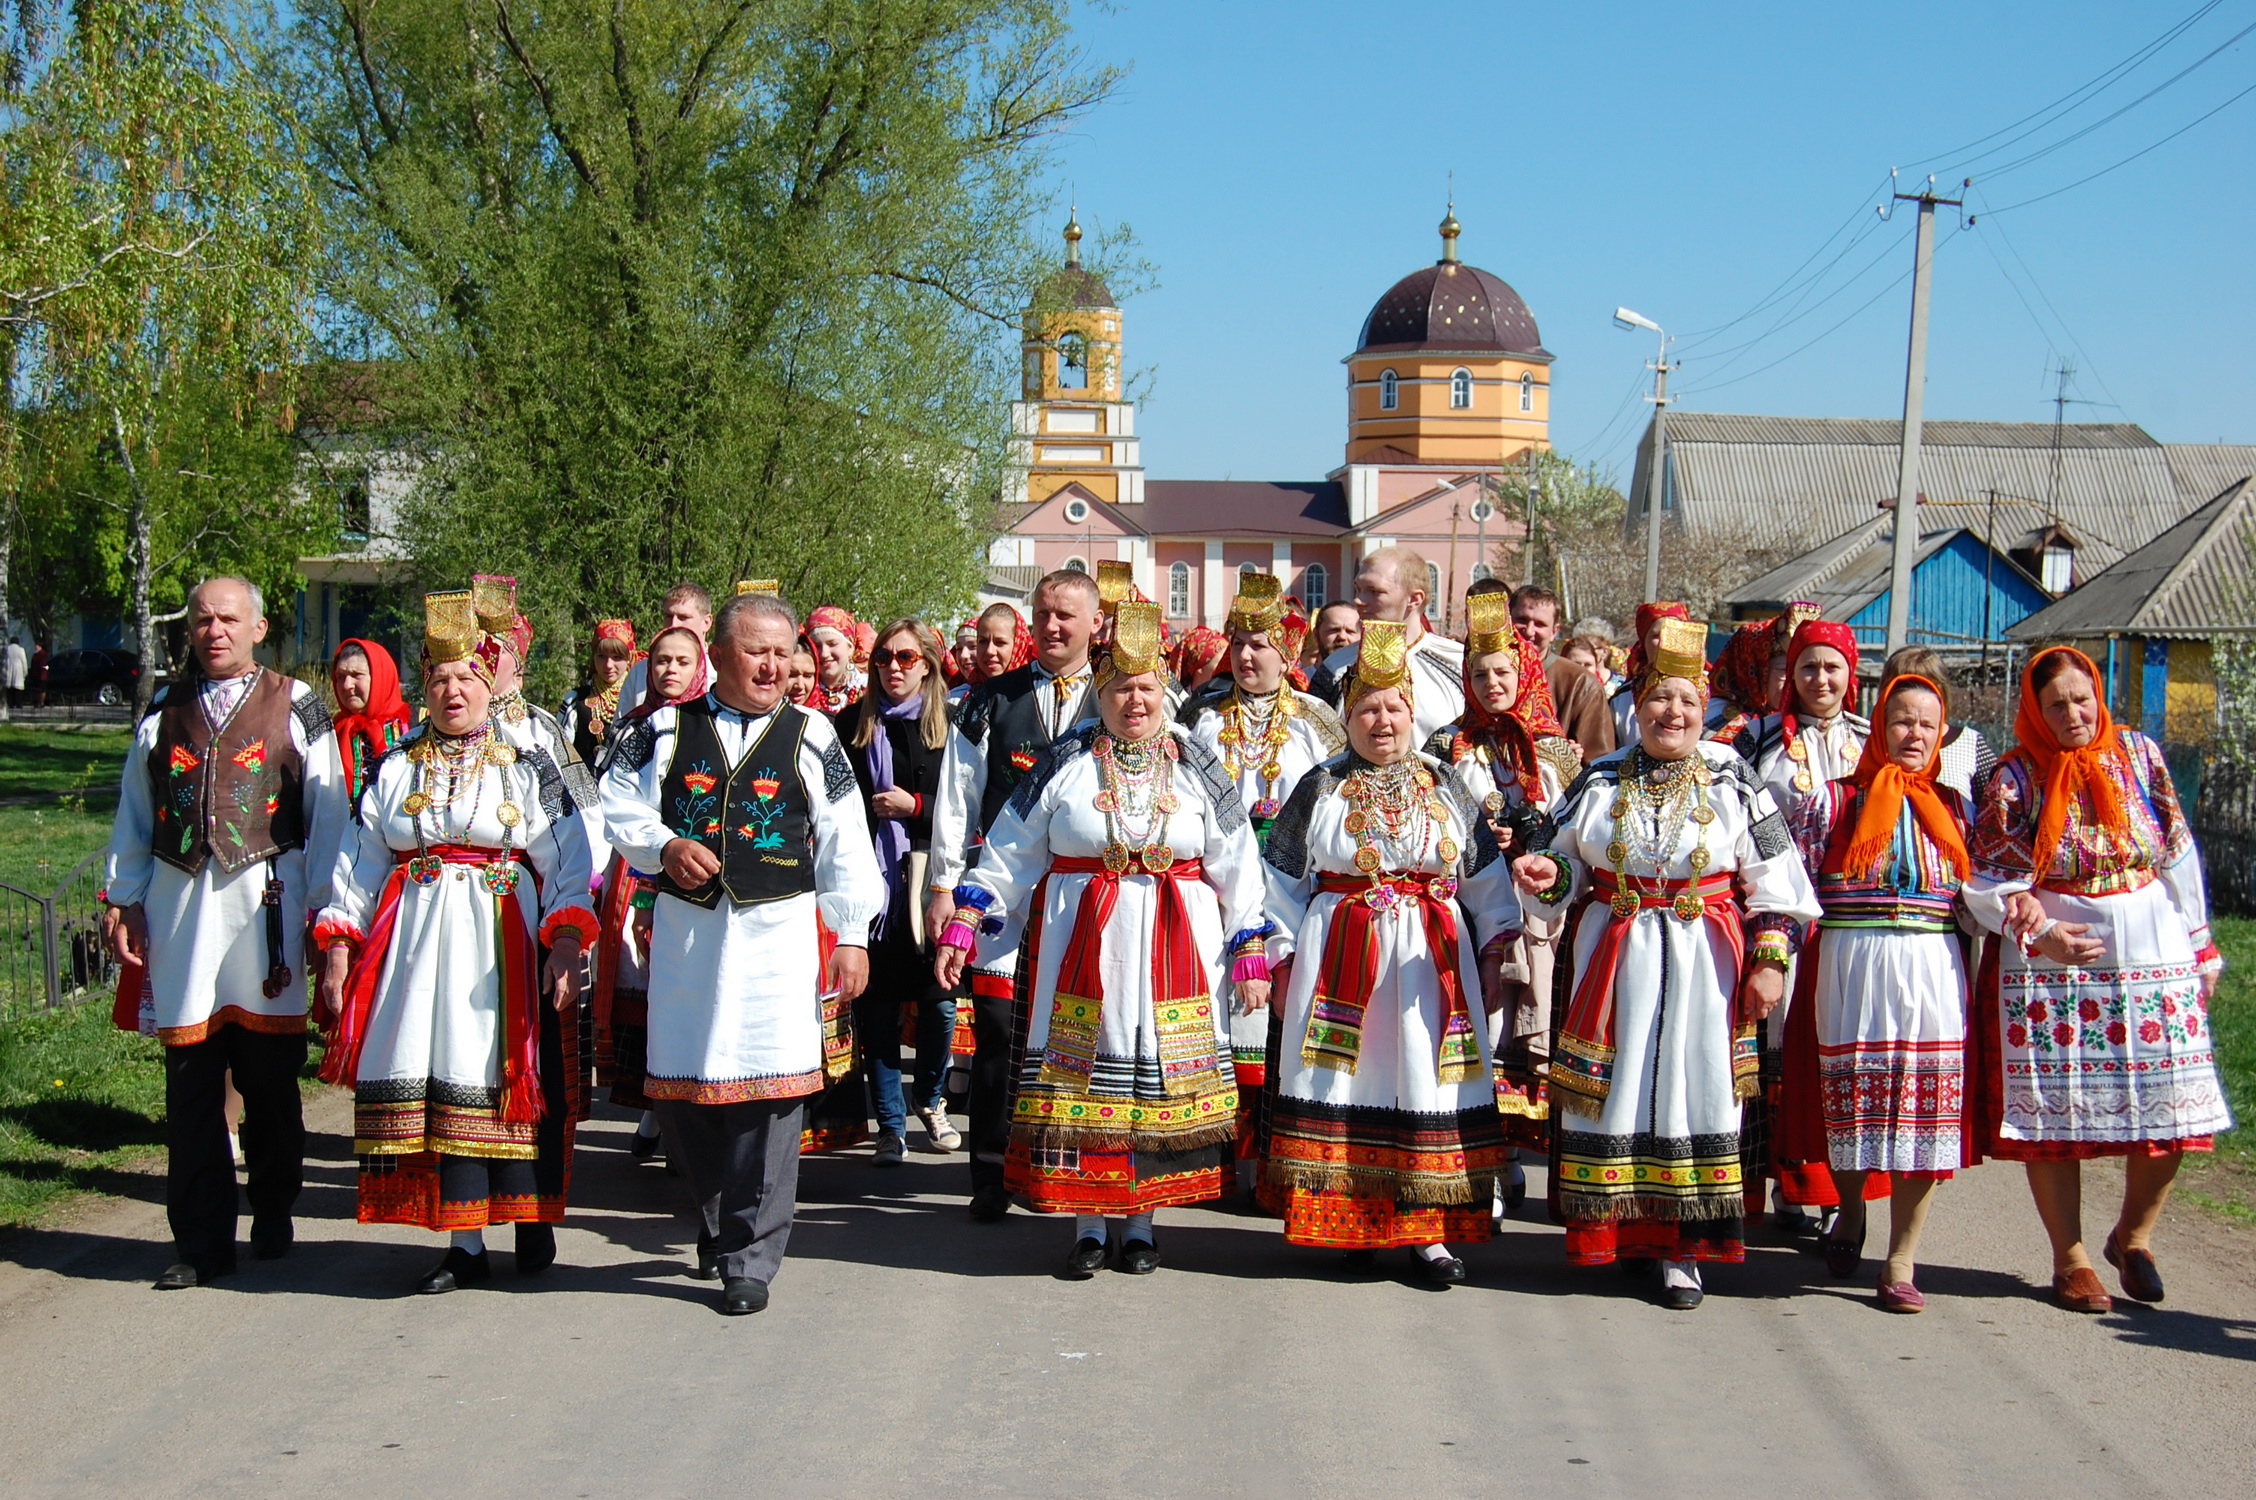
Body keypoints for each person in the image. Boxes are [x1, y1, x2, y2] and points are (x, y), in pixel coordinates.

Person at [935, 600, 1269, 1276]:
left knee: (1152, 1086)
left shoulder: (1200, 764)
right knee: (1085, 1078)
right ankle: (1088, 1225)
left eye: (1146, 687)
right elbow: (1008, 849)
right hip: (1079, 946)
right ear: (1102, 692)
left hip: (1176, 952)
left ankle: (1141, 1225)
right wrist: (966, 921)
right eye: (1120, 687)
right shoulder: (1065, 758)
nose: (1134, 700)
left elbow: (1239, 862)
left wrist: (1251, 953)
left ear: (1164, 693)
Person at [1514, 618, 1819, 1310]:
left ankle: (1685, 1251)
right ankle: (1623, 1234)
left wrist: (1769, 961)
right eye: (1657, 699)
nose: (1671, 713)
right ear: (1636, 706)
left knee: (1694, 1092)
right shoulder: (1598, 777)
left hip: (1704, 961)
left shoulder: (1735, 778)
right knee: (1616, 1093)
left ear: (1702, 703)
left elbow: (1778, 880)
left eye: (1684, 700)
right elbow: (1564, 859)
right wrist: (1546, 875)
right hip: (1612, 957)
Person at [600, 590, 883, 1315]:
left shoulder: (814, 735)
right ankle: (717, 1218)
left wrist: (851, 932)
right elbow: (611, 801)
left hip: (778, 939)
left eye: (782, 651)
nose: (771, 665)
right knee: (688, 1094)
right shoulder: (661, 730)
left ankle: (751, 1255)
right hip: (691, 939)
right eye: (756, 650)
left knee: (772, 1100)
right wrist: (660, 844)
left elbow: (848, 837)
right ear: (717, 655)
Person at [315, 589, 599, 1293]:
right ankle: (464, 1243)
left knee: (502, 1080)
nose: (452, 691)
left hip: (501, 947)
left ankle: (531, 1220)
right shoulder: (396, 767)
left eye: (466, 678)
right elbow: (357, 859)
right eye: (439, 680)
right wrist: (340, 947)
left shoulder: (526, 763)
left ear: (487, 682)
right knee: (441, 1081)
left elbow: (569, 856)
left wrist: (565, 940)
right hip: (418, 952)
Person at [1964, 646, 2231, 1314]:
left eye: (2081, 699)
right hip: (2055, 965)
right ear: (2036, 711)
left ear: (2099, 696)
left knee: (2176, 1103)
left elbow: (2177, 850)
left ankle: (2133, 1238)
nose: (2072, 714)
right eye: (2056, 705)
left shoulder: (2139, 757)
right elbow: (1984, 884)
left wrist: (2201, 944)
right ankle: (2071, 1259)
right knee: (2056, 1114)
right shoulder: (2014, 779)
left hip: (2150, 948)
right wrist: (2036, 928)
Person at [102, 576, 346, 1290]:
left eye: (228, 619)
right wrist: (125, 898)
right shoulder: (162, 709)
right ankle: (201, 1242)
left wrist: (324, 915)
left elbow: (327, 816)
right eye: (203, 620)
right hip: (183, 919)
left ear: (258, 626)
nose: (214, 631)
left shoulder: (297, 704)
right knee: (192, 1086)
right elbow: (135, 811)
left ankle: (272, 1210)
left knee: (270, 1082)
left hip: (265, 911)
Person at [1259, 619, 1516, 1283]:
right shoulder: (1318, 784)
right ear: (1347, 717)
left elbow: (1486, 876)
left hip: (1431, 960)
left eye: (1394, 706)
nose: (1382, 720)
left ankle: (1430, 1235)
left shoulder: (1446, 781)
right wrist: (1282, 960)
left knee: (1427, 1084)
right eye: (1366, 708)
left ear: (1412, 711)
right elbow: (1280, 881)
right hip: (1340, 949)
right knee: (1350, 1080)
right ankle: (1354, 1225)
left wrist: (1493, 950)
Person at [1788, 673, 1974, 1312]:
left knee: (1925, 1109)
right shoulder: (1832, 803)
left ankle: (1901, 1257)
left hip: (1930, 962)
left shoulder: (1956, 808)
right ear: (1879, 727)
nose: (1914, 733)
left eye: (1927, 723)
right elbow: (1794, 887)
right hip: (1850, 959)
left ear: (1942, 733)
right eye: (1902, 720)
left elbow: (1974, 900)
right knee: (1853, 1103)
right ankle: (1847, 1209)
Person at [927, 569, 1102, 1223]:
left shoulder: (1118, 700)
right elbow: (957, 795)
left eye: (1067, 615)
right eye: (1045, 613)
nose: (1054, 626)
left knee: (1075, 1033)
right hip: (1000, 898)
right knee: (998, 1033)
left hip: (1084, 899)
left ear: (1093, 623)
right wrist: (944, 886)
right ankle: (991, 1173)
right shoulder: (988, 700)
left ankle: (1066, 1166)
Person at [1182, 575, 1345, 1186]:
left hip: (1292, 890)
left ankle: (1277, 1159)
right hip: (1215, 883)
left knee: (1284, 1015)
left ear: (1288, 651)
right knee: (1215, 1010)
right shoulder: (1199, 713)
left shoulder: (1316, 720)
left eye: (1259, 643)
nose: (1246, 655)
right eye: (1238, 642)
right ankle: (1214, 1153)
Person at [1434, 592, 1582, 1207]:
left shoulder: (1559, 751)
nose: (1492, 683)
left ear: (1525, 673)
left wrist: (1534, 838)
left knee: (1529, 1032)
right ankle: (1482, 1166)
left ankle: (1514, 1160)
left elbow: (1576, 830)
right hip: (1471, 912)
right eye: (1478, 674)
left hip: (1539, 912)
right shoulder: (1446, 748)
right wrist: (1473, 839)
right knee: (1478, 1030)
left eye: (1503, 671)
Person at [1734, 618, 1871, 1235]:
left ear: (1852, 675)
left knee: (1829, 1051)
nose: (1820, 679)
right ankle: (1773, 1187)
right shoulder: (1754, 739)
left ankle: (1827, 1188)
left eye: (1832, 667)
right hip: (1773, 919)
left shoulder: (1871, 742)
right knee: (1769, 1051)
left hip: (1846, 923)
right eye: (1808, 667)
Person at [836, 620, 962, 1163]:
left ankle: (929, 1100)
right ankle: (889, 1122)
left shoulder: (951, 728)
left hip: (932, 884)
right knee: (877, 1006)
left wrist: (919, 808)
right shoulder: (849, 724)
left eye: (907, 658)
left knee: (938, 1006)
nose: (893, 667)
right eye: (884, 657)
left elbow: (969, 809)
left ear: (929, 664)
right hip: (872, 884)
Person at [589, 626, 709, 1155]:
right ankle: (658, 1114)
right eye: (661, 660)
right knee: (651, 999)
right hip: (640, 867)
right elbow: (611, 800)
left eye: (682, 661)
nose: (670, 671)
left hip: (697, 875)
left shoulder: (711, 725)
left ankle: (692, 1118)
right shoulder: (635, 727)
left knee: (694, 994)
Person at [1312, 546, 1465, 748]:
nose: (1358, 600)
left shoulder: (1458, 664)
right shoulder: (1334, 669)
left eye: (1374, 592)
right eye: (1358, 589)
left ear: (1414, 599)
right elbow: (1314, 746)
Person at [1513, 584, 1614, 764]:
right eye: (1521, 620)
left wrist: (1565, 760)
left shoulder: (1581, 684)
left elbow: (1600, 763)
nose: (1529, 631)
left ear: (1554, 632)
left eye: (1540, 624)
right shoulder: (1485, 674)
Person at [1882, 645, 1995, 801]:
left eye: (1926, 687)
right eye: (1903, 687)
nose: (1916, 696)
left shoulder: (1971, 743)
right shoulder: (1868, 742)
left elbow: (1992, 809)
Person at [1705, 605, 1814, 747]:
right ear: (1755, 672)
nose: (1793, 682)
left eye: (1803, 670)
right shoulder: (1715, 721)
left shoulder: (1812, 721)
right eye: (1784, 671)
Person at [331, 638, 410, 807]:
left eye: (356, 675)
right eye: (340, 677)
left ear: (380, 677)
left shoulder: (419, 724)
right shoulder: (330, 733)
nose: (346, 685)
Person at [1607, 602, 1692, 751]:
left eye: (1674, 633)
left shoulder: (1707, 692)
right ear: (1643, 643)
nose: (1666, 641)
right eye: (1656, 635)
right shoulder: (1622, 699)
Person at [561, 619, 639, 767]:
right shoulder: (575, 700)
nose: (608, 665)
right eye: (601, 656)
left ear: (629, 658)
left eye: (617, 657)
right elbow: (561, 752)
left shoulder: (640, 698)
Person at [803, 605, 864, 714]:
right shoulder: (802, 690)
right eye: (817, 646)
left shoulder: (868, 689)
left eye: (832, 644)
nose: (824, 654)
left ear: (850, 647)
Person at [1310, 600, 1360, 664]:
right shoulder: (1304, 674)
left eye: (1350, 631)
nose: (1342, 636)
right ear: (1316, 635)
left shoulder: (1371, 674)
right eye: (1334, 630)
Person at [2, 634, 25, 711]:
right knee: (18, 687)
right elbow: (24, 661)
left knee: (9, 687)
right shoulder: (21, 649)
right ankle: (18, 703)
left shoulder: (6, 649)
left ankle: (10, 703)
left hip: (8, 668)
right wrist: (25, 671)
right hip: (18, 669)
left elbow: (3, 659)